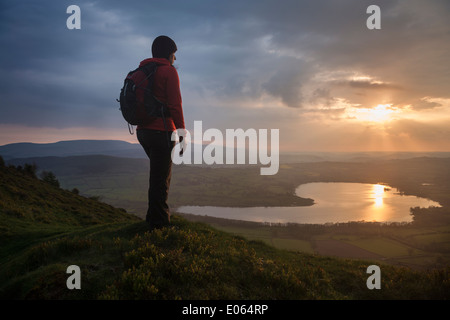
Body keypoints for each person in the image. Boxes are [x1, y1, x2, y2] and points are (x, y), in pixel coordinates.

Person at [136, 35, 185, 230]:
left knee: (157, 178)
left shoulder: (144, 70)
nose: (175, 59)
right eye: (174, 55)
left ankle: (153, 219)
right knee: (160, 180)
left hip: (143, 132)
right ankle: (160, 226)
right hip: (161, 132)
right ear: (169, 54)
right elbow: (175, 104)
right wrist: (181, 132)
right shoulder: (168, 72)